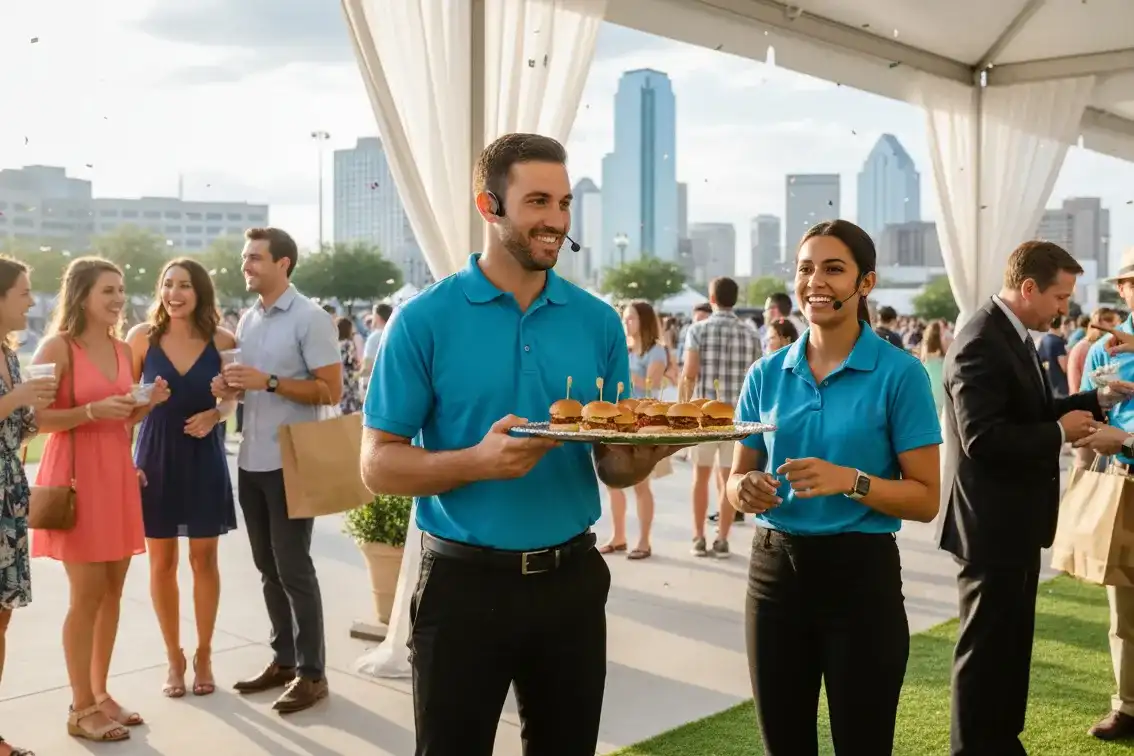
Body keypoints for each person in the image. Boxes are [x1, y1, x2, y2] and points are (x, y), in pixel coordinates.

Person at [360, 132, 680, 756]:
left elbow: (610, 463)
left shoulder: (597, 321)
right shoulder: (424, 320)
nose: (556, 221)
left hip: (572, 583)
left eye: (563, 204)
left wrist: (644, 454)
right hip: (461, 587)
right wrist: (474, 462)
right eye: (538, 201)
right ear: (489, 206)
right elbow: (377, 465)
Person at [726, 219, 942, 755]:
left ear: (865, 283)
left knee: (863, 743)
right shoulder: (765, 374)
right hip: (774, 576)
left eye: (833, 268)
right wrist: (743, 489)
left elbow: (926, 498)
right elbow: (734, 480)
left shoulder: (900, 374)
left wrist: (852, 481)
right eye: (805, 269)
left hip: (861, 579)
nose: (814, 281)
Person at [938, 240, 1131, 755]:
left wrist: (1097, 400)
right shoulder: (981, 338)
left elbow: (1033, 408)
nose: (1066, 308)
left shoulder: (1010, 332)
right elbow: (982, 437)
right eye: (1060, 297)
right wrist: (1059, 433)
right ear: (1028, 289)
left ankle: (1001, 739)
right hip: (989, 526)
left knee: (1008, 646)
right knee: (984, 652)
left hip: (1013, 522)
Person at [31, 257, 171, 742]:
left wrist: (143, 408)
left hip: (116, 474)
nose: (117, 299)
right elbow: (34, 420)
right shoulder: (58, 347)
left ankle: (99, 691)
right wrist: (90, 409)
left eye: (120, 289)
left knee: (112, 591)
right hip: (76, 478)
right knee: (86, 595)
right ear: (82, 295)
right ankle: (79, 707)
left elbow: (116, 420)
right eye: (107, 291)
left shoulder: (118, 348)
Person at [211, 227, 342, 714]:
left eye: (256, 258)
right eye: (245, 257)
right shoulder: (248, 318)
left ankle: (313, 674)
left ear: (283, 263)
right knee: (268, 568)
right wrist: (230, 386)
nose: (247, 265)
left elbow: (330, 389)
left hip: (292, 460)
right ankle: (283, 660)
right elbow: (254, 388)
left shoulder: (310, 318)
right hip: (251, 459)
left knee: (294, 568)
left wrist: (267, 381)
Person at [127, 258, 238, 699]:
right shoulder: (141, 338)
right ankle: (173, 657)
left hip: (203, 455)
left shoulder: (224, 340)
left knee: (204, 561)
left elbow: (233, 400)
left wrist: (216, 414)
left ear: (200, 292)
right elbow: (128, 407)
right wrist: (145, 406)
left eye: (185, 286)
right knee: (162, 563)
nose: (175, 293)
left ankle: (205, 653)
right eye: (168, 284)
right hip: (154, 456)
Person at [1070, 249, 1134, 740]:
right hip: (1120, 478)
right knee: (1123, 606)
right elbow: (1094, 414)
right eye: (1131, 282)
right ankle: (1127, 703)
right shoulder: (1105, 348)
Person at [0, 258, 56, 756]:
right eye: (23, 292)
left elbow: (16, 430)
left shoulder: (11, 354)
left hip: (8, 492)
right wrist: (14, 397)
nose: (32, 301)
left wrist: (29, 413)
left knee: (0, 617)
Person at [681, 276, 761, 558]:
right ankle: (723, 538)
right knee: (730, 478)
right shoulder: (751, 333)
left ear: (711, 299)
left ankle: (699, 537)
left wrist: (683, 403)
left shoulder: (698, 330)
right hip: (736, 419)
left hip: (704, 417)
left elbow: (690, 373)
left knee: (700, 478)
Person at [599, 300, 666, 560]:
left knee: (640, 484)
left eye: (631, 319)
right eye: (625, 318)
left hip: (642, 423)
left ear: (645, 321)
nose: (626, 323)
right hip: (617, 419)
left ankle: (644, 541)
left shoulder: (655, 351)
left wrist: (620, 371)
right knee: (612, 483)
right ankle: (618, 536)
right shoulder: (622, 348)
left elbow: (653, 383)